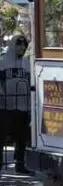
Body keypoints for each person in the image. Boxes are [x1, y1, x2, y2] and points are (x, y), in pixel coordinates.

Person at [0, 34, 32, 174]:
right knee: (1, 137)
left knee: (22, 137)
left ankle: (20, 164)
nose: (22, 47)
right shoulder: (2, 63)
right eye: (19, 44)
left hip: (23, 106)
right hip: (6, 106)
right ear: (13, 45)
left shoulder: (27, 64)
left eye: (24, 44)